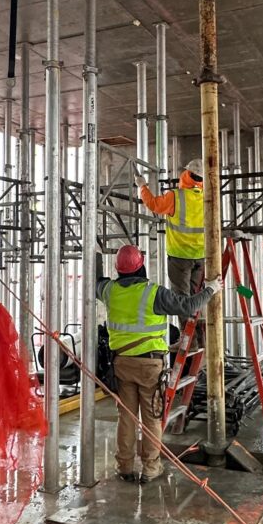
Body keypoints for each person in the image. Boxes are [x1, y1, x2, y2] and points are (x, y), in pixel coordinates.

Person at [97, 243, 220, 483]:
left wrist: (96, 256)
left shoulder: (109, 290)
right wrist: (211, 289)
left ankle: (124, 467)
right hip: (149, 366)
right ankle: (151, 467)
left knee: (127, 418)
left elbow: (95, 282)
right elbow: (188, 306)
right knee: (151, 418)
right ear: (141, 266)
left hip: (120, 364)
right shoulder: (153, 292)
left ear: (119, 269)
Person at [136, 158, 205, 295]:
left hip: (180, 255)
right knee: (196, 295)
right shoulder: (207, 198)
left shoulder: (176, 196)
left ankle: (187, 317)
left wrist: (142, 186)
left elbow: (154, 205)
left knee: (181, 297)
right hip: (201, 255)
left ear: (186, 175)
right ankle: (194, 316)